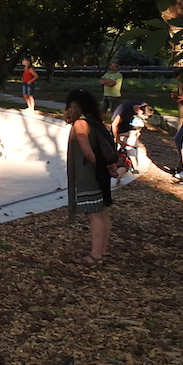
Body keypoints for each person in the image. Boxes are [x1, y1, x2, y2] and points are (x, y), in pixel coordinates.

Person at [64, 89, 122, 266]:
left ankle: (95, 256)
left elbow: (88, 153)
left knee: (94, 215)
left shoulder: (80, 124)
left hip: (89, 174)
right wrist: (107, 168)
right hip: (101, 172)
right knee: (103, 213)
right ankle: (101, 253)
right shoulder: (95, 122)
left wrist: (98, 168)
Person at [110, 100, 153, 173]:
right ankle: (113, 164)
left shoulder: (144, 106)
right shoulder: (124, 110)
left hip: (129, 121)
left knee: (131, 144)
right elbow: (114, 125)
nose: (144, 120)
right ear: (140, 111)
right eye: (144, 117)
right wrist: (117, 138)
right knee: (114, 142)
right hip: (119, 122)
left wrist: (138, 131)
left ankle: (131, 163)